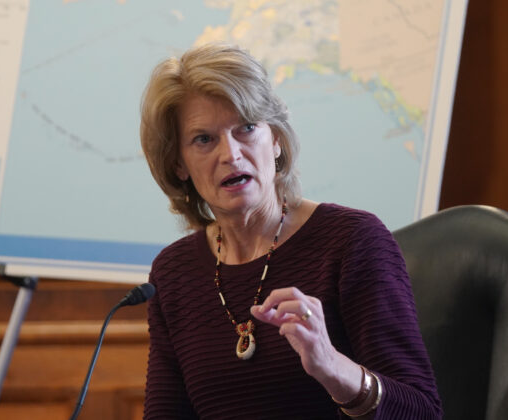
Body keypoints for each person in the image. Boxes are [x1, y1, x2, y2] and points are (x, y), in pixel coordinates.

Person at [139, 43, 442, 419]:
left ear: (276, 140)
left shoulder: (352, 242)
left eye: (246, 128)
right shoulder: (173, 273)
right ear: (179, 164)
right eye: (204, 139)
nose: (231, 154)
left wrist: (332, 367)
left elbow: (422, 412)